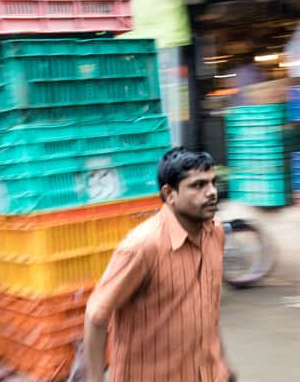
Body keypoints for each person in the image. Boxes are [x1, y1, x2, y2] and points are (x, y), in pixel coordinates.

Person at [84, 147, 236, 382]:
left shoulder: (215, 234)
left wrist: (223, 365)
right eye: (198, 185)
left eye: (212, 182)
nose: (212, 192)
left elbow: (208, 308)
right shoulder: (142, 247)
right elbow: (96, 316)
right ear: (170, 194)